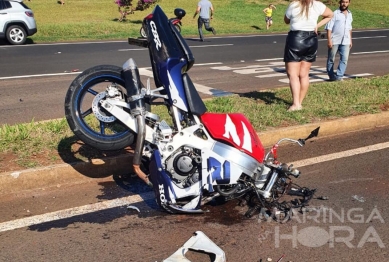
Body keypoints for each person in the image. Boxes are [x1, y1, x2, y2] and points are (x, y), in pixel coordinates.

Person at [283, 0, 333, 111]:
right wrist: (317, 25)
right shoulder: (317, 4)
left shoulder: (294, 4)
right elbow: (330, 14)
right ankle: (299, 102)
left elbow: (286, 20)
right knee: (304, 74)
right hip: (312, 40)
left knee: (293, 74)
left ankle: (296, 104)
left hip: (296, 38)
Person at [326, 0, 353, 81]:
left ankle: (339, 76)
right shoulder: (335, 13)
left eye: (346, 2)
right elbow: (329, 28)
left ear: (349, 3)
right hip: (334, 40)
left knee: (344, 59)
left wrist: (350, 40)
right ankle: (331, 76)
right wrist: (329, 40)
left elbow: (349, 28)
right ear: (340, 3)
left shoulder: (350, 14)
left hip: (346, 41)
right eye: (342, 2)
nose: (344, 4)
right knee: (331, 59)